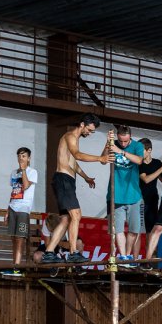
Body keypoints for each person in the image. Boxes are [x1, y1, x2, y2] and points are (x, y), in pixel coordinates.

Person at [42, 113, 107, 264]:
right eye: (89, 130)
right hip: (63, 180)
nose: (89, 133)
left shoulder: (75, 139)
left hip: (66, 180)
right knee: (76, 215)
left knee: (66, 219)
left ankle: (49, 252)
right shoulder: (70, 136)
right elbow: (77, 155)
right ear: (82, 124)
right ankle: (73, 253)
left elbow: (73, 163)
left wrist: (86, 177)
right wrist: (100, 158)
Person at [106, 125, 146, 267]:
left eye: (126, 141)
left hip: (134, 195)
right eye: (120, 141)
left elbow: (139, 160)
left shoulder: (137, 146)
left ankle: (128, 255)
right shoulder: (113, 144)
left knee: (134, 230)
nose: (123, 144)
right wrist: (108, 144)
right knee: (118, 230)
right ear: (117, 137)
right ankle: (123, 256)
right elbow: (103, 160)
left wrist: (121, 152)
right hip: (116, 195)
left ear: (130, 137)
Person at [2, 147, 38, 276]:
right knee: (13, 238)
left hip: (24, 208)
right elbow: (13, 192)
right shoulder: (13, 173)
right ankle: (14, 266)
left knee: (20, 238)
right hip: (13, 207)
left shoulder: (32, 172)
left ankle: (17, 268)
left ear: (28, 158)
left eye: (23, 156)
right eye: (19, 156)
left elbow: (26, 185)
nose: (21, 158)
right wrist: (7, 210)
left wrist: (23, 170)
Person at [138, 139, 162, 234]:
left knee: (150, 229)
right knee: (138, 229)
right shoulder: (139, 164)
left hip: (152, 199)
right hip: (140, 200)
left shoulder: (157, 163)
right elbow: (146, 179)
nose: (138, 153)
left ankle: (150, 244)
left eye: (141, 150)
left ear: (149, 150)